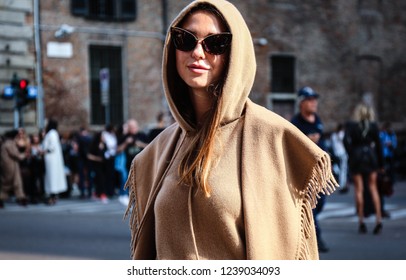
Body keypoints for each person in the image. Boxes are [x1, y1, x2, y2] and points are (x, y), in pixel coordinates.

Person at [124, 0, 337, 260]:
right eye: (186, 39)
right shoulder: (157, 150)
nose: (198, 53)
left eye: (216, 44)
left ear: (235, 55)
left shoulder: (273, 138)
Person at [291, 86, 330, 253]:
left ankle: (309, 231)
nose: (314, 103)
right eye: (309, 99)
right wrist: (307, 141)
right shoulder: (295, 124)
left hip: (320, 172)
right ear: (301, 103)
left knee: (320, 204)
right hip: (305, 173)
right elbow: (293, 147)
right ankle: (315, 238)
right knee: (310, 206)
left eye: (314, 99)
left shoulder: (318, 120)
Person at [344, 103, 384, 234]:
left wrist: (351, 152)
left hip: (357, 157)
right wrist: (381, 164)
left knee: (359, 190)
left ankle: (361, 221)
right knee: (373, 188)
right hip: (370, 157)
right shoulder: (373, 126)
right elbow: (379, 145)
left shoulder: (351, 125)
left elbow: (345, 140)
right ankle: (378, 219)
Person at [42, 118, 68, 205]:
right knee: (52, 178)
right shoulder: (54, 133)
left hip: (51, 159)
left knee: (51, 178)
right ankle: (53, 196)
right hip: (53, 159)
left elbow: (51, 147)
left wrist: (43, 151)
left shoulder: (51, 133)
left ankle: (52, 197)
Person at [0, 129, 28, 207]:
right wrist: (24, 155)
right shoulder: (9, 143)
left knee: (16, 182)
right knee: (8, 183)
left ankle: (21, 198)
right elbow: (15, 154)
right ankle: (20, 198)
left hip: (10, 165)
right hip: (10, 166)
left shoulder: (6, 143)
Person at [330, 123, 349, 194]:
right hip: (342, 153)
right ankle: (342, 184)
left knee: (338, 167)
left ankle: (339, 179)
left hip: (336, 153)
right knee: (343, 169)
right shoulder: (342, 134)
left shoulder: (333, 135)